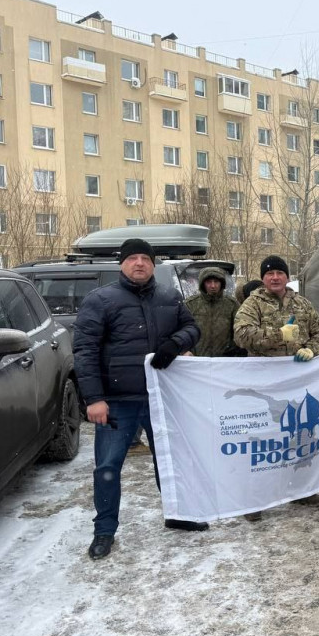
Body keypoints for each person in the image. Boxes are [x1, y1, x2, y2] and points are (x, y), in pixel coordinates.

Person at [73, 238, 204, 561]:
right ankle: (104, 530)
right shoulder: (100, 300)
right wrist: (94, 398)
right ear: (122, 263)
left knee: (170, 460)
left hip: (161, 396)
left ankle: (177, 513)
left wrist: (175, 343)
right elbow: (85, 351)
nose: (140, 263)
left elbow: (192, 327)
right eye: (133, 258)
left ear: (153, 264)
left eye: (146, 258)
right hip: (117, 400)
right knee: (107, 466)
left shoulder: (169, 296)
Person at [233, 255, 319, 521]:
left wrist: (312, 349)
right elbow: (241, 335)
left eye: (279, 273)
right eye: (269, 273)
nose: (275, 277)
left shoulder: (301, 303)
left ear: (287, 277)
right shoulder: (253, 303)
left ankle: (300, 489)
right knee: (264, 440)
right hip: (265, 384)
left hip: (297, 382)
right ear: (263, 278)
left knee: (300, 435)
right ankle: (255, 499)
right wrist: (278, 335)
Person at [185, 267, 240, 357]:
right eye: (209, 282)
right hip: (196, 359)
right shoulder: (191, 304)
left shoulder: (232, 305)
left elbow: (239, 332)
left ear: (222, 283)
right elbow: (182, 330)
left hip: (225, 360)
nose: (213, 286)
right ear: (203, 284)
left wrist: (233, 352)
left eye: (216, 282)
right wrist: (185, 350)